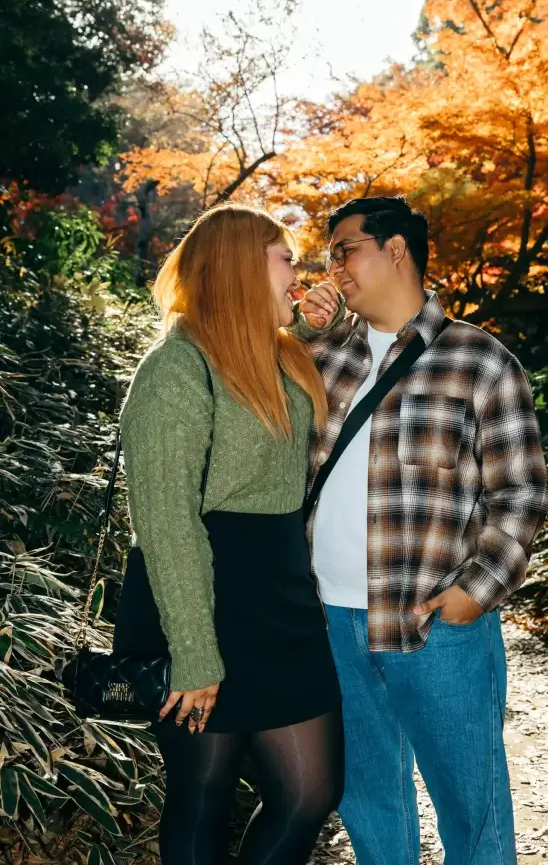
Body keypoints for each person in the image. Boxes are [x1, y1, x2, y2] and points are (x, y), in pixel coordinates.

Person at [298, 196, 548, 865]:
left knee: (471, 808)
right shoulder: (321, 357)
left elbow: (521, 491)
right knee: (366, 798)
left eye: (345, 250)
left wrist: (476, 591)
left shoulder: (479, 360)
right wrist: (298, 326)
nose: (334, 268)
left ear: (395, 250)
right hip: (330, 624)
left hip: (434, 625)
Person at [113, 202, 345, 865]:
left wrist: (307, 324)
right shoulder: (174, 370)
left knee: (310, 791)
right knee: (202, 794)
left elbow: (262, 410)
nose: (297, 274)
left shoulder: (268, 354)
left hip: (277, 593)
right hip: (197, 595)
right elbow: (166, 522)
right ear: (243, 267)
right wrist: (194, 653)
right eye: (285, 260)